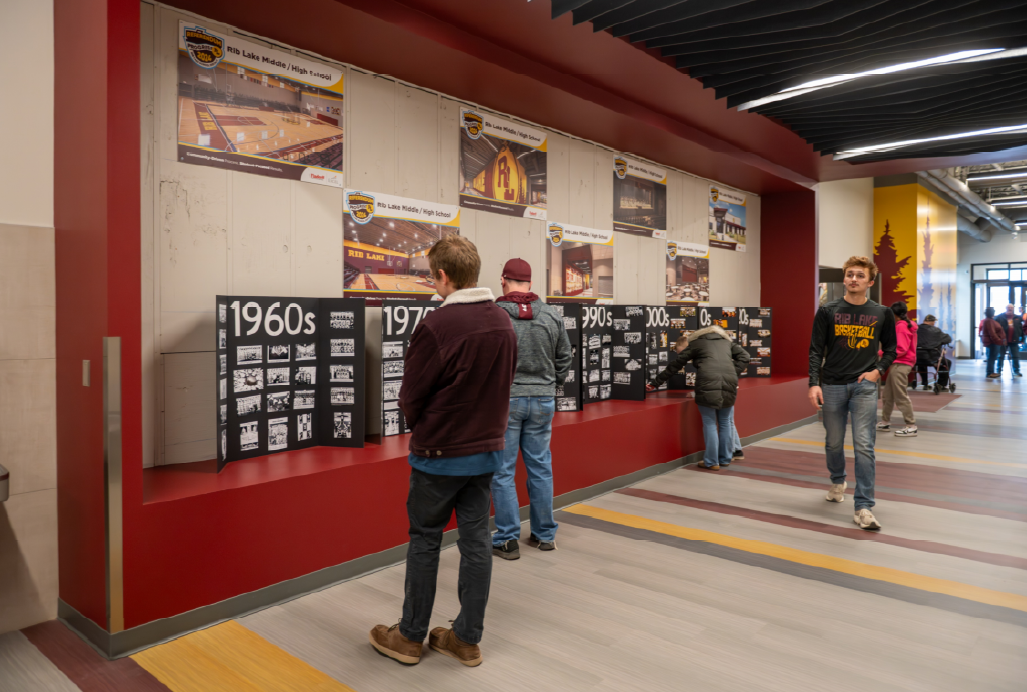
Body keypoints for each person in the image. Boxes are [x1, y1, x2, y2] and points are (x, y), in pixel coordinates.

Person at [370, 235, 517, 668]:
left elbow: (411, 396)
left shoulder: (436, 326)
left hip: (439, 456)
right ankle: (466, 639)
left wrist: (425, 428)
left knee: (425, 541)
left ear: (443, 276)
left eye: (432, 274)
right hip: (487, 452)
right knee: (475, 544)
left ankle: (410, 636)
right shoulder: (503, 322)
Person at [491, 258, 572, 560]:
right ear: (530, 283)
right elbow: (565, 356)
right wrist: (551, 385)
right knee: (540, 467)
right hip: (543, 400)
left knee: (502, 471)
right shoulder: (551, 314)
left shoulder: (496, 315)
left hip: (506, 402)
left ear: (503, 280)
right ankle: (544, 535)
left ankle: (507, 539)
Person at [808, 256, 897, 531]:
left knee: (864, 445)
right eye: (849, 275)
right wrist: (814, 382)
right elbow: (815, 350)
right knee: (834, 442)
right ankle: (838, 479)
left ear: (870, 282)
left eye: (860, 275)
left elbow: (892, 349)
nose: (854, 279)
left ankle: (863, 506)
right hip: (832, 384)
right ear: (844, 279)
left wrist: (877, 371)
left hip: (864, 386)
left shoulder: (882, 313)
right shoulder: (828, 311)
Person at [647, 327, 749, 470]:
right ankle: (725, 459)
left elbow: (677, 364)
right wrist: (732, 371)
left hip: (706, 381)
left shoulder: (697, 343)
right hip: (729, 381)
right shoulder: (727, 342)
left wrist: (655, 383)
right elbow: (745, 357)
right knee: (725, 422)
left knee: (710, 423)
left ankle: (712, 462)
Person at [877, 301, 917, 437]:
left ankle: (911, 425)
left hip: (901, 364)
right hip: (898, 364)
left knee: (900, 395)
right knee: (888, 395)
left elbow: (901, 349)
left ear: (894, 314)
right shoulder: (907, 324)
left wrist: (881, 353)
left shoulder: (901, 327)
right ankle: (885, 422)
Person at [916, 314, 952, 389]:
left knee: (921, 359)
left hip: (916, 357)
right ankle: (941, 384)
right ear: (933, 322)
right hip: (932, 358)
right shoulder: (936, 331)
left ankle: (925, 383)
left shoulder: (916, 329)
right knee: (946, 363)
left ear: (924, 321)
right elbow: (948, 339)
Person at [995, 303, 1024, 377]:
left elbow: (1021, 329)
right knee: (1000, 356)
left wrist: (1022, 338)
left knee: (1015, 356)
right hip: (1003, 340)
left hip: (1014, 340)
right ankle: (998, 370)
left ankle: (1016, 371)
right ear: (1006, 308)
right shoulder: (1000, 317)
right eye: (1008, 307)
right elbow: (994, 324)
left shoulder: (1018, 317)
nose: (1010, 309)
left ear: (1013, 309)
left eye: (1011, 308)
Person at [979, 307, 1006, 379]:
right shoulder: (989, 321)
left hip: (993, 342)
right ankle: (990, 372)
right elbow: (992, 333)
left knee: (992, 357)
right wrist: (998, 341)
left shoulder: (989, 320)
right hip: (993, 342)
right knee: (991, 357)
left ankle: (991, 372)